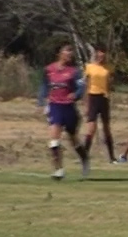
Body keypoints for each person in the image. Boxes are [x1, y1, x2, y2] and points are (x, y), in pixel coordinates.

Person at [37, 43, 89, 180]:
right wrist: (42, 101)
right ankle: (59, 169)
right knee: (54, 140)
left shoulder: (74, 71)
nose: (69, 55)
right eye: (67, 51)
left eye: (71, 52)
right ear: (59, 53)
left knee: (74, 140)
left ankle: (84, 159)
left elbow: (81, 87)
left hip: (69, 108)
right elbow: (44, 85)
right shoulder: (49, 69)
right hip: (55, 106)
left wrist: (75, 95)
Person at [83, 44, 117, 163]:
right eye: (100, 52)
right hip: (93, 97)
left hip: (104, 98)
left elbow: (110, 84)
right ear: (96, 53)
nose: (102, 55)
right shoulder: (90, 67)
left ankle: (112, 157)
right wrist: (86, 104)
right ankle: (85, 155)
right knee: (91, 129)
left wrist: (109, 94)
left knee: (106, 128)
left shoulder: (108, 68)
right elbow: (87, 86)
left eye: (104, 52)